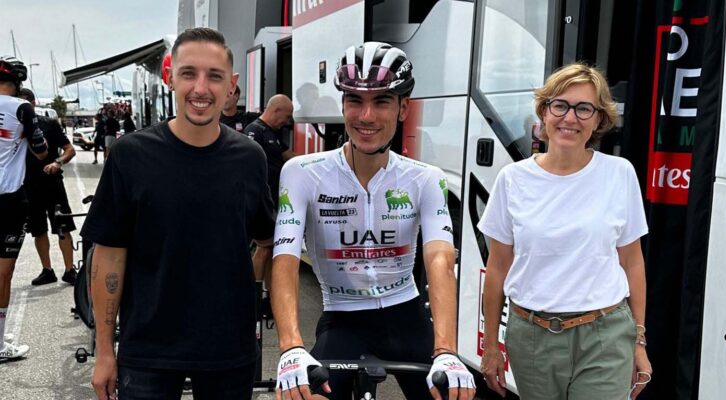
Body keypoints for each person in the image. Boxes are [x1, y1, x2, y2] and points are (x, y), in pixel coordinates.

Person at [271, 42, 475, 400]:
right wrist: (290, 347)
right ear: (343, 105)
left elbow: (440, 260)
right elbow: (285, 260)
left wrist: (446, 350)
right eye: (355, 101)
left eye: (381, 101)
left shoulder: (425, 178)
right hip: (342, 316)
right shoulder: (302, 173)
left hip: (406, 315)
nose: (366, 116)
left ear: (402, 108)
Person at [82, 28, 275, 400]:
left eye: (214, 76)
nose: (201, 88)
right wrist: (105, 351)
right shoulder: (131, 155)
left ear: (231, 85)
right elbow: (108, 256)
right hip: (147, 351)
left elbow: (267, 240)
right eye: (189, 73)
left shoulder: (249, 158)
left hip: (228, 353)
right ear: (170, 77)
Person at [479, 63, 652, 400]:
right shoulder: (512, 180)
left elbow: (632, 261)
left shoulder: (619, 174)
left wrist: (639, 340)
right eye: (560, 105)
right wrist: (490, 347)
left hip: (604, 334)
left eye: (584, 108)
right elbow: (498, 267)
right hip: (532, 338)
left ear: (599, 119)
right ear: (544, 111)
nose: (570, 118)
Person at [0, 56, 48, 360]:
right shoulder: (22, 108)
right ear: (19, 84)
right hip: (8, 199)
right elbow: (42, 152)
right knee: (3, 273)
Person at [17, 88, 78, 286]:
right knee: (38, 229)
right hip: (28, 185)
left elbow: (70, 150)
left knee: (63, 225)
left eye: (25, 103)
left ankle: (70, 270)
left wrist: (57, 162)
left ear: (33, 104)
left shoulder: (49, 124)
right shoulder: (13, 129)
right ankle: (47, 270)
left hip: (52, 183)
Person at [243, 94, 295, 310]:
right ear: (276, 111)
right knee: (264, 248)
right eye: (287, 115)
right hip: (259, 200)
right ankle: (252, 296)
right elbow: (247, 167)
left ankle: (270, 298)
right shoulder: (253, 132)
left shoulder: (273, 134)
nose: (288, 120)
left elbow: (289, 156)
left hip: (275, 200)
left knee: (273, 249)